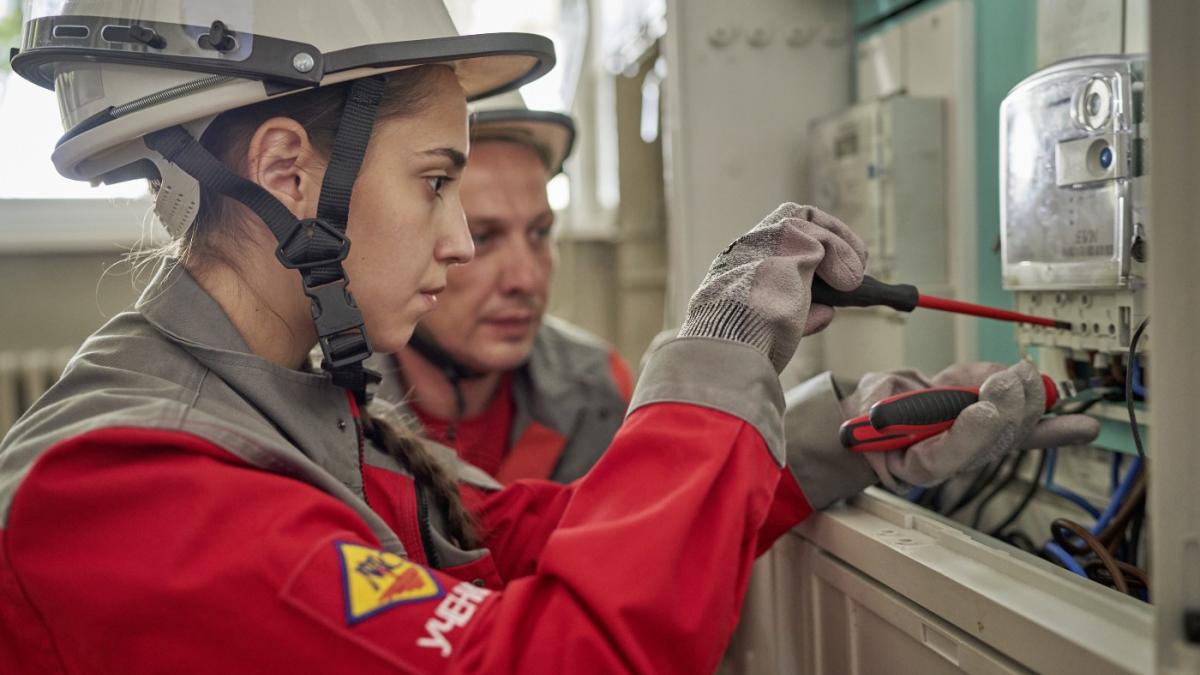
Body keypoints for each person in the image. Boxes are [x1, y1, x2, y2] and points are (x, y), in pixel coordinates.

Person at [0, 3, 1098, 673]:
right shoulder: (127, 487)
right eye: (437, 185)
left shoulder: (272, 408)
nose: (461, 247)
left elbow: (522, 532)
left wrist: (838, 438)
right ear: (289, 172)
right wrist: (711, 354)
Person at [371, 91, 633, 484]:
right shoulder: (323, 402)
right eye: (482, 238)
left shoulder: (597, 387)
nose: (525, 280)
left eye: (540, 232)